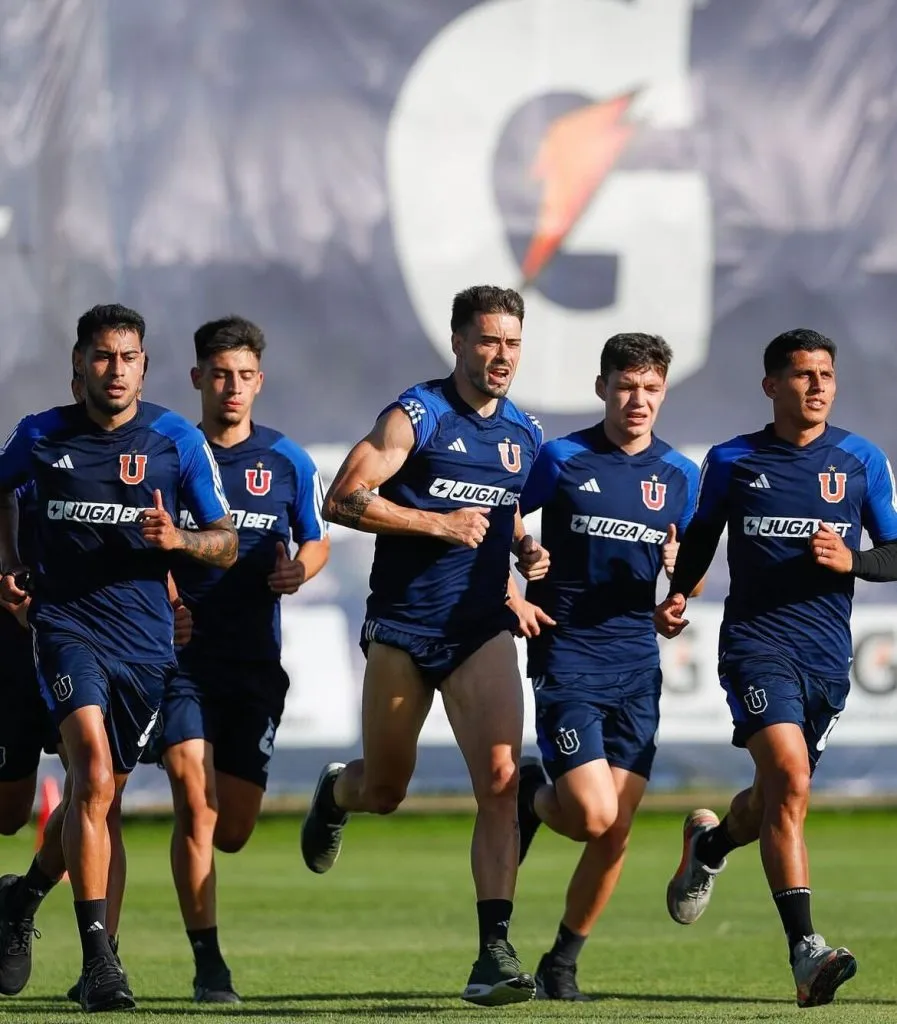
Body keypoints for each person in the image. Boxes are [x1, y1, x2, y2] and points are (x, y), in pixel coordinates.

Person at [300, 285, 549, 1007]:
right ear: (458, 343)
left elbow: (505, 520)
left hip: (479, 632)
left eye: (511, 343)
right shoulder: (415, 415)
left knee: (502, 784)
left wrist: (526, 558)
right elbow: (341, 500)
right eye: (487, 341)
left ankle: (492, 953)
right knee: (385, 789)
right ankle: (336, 792)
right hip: (405, 630)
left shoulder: (524, 434)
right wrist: (435, 524)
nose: (500, 356)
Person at [0, 303, 236, 1013]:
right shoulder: (39, 435)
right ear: (79, 363)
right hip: (66, 626)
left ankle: (24, 896)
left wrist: (180, 542)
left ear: (144, 366)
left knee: (96, 800)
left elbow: (224, 540)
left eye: (128, 356)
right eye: (102, 356)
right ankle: (102, 964)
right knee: (93, 776)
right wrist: (9, 560)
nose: (115, 369)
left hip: (146, 644)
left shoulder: (174, 439)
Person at [655, 328, 897, 1008]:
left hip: (825, 659)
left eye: (824, 373)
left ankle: (709, 844)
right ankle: (804, 951)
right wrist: (677, 593)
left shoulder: (858, 460)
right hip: (755, 647)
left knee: (770, 801)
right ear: (770, 386)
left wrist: (853, 561)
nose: (815, 385)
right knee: (789, 778)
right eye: (800, 374)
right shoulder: (733, 460)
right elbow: (700, 536)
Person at [511, 333, 700, 1000]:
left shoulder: (681, 475)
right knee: (590, 816)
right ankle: (530, 794)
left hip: (635, 664)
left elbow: (688, 577)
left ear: (663, 393)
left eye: (649, 388)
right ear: (602, 388)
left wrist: (679, 593)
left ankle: (561, 962)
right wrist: (522, 563)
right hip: (567, 655)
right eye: (625, 386)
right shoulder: (561, 458)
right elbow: (502, 509)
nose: (637, 400)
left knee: (614, 830)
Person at [151, 316, 329, 1003]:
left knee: (232, 830)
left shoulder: (287, 460)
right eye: (219, 374)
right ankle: (208, 965)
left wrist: (299, 574)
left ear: (260, 381)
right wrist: (166, 599)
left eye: (244, 376)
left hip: (254, 663)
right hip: (180, 658)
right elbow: (142, 541)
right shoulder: (166, 452)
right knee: (194, 806)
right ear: (197, 377)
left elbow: (313, 541)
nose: (232, 387)